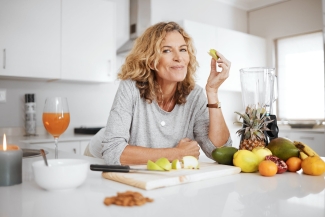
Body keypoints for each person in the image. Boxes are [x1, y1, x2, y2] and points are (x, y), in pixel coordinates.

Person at [85, 21, 232, 165]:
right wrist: (176, 153)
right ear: (150, 61)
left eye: (182, 49)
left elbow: (219, 151)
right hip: (98, 158)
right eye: (167, 50)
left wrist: (212, 92)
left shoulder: (195, 95)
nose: (178, 57)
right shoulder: (130, 88)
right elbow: (112, 152)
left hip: (147, 167)